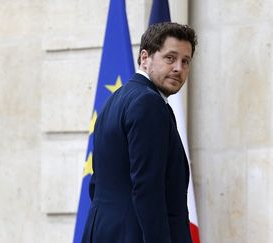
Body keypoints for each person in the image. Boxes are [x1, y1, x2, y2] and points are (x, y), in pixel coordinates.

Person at [81, 22, 197, 243]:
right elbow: (147, 187)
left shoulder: (113, 101)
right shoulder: (148, 102)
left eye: (186, 61)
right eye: (170, 58)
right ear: (145, 58)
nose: (178, 68)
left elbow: (97, 185)